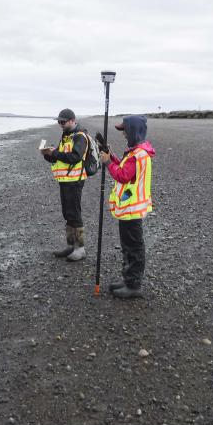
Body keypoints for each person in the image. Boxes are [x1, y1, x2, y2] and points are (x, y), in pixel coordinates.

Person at [100, 115, 155, 299]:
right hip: (129, 208)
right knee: (128, 245)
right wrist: (112, 157)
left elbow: (123, 176)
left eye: (125, 130)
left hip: (132, 209)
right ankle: (128, 279)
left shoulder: (138, 154)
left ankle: (133, 284)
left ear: (133, 130)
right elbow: (126, 170)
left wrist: (107, 162)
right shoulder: (136, 152)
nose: (123, 133)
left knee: (133, 246)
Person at [40, 108, 90, 261]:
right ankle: (70, 246)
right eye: (59, 122)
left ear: (72, 120)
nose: (60, 124)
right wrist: (48, 155)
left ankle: (80, 249)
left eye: (63, 122)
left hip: (75, 181)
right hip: (65, 180)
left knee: (74, 214)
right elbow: (61, 158)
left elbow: (75, 157)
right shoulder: (66, 136)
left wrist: (54, 153)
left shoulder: (80, 136)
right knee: (68, 214)